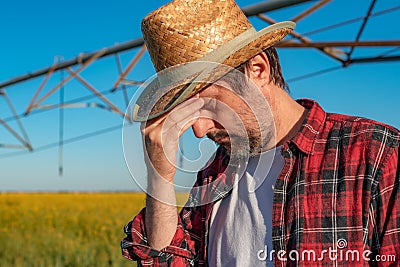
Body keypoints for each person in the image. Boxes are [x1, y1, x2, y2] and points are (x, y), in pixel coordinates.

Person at [121, 0, 400, 266]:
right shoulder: (214, 174)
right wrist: (160, 178)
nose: (198, 130)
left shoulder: (376, 155)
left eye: (207, 105)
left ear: (257, 69)